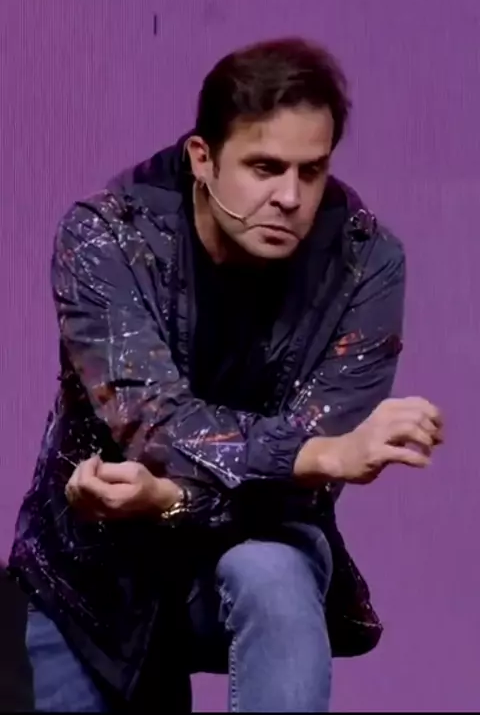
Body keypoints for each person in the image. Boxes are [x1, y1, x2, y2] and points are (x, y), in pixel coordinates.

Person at [8, 37, 443, 713]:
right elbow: (153, 423)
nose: (290, 196)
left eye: (312, 171)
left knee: (274, 571)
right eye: (264, 167)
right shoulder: (106, 236)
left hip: (253, 537)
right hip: (91, 571)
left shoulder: (366, 262)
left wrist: (170, 498)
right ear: (202, 157)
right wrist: (316, 454)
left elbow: (297, 495)